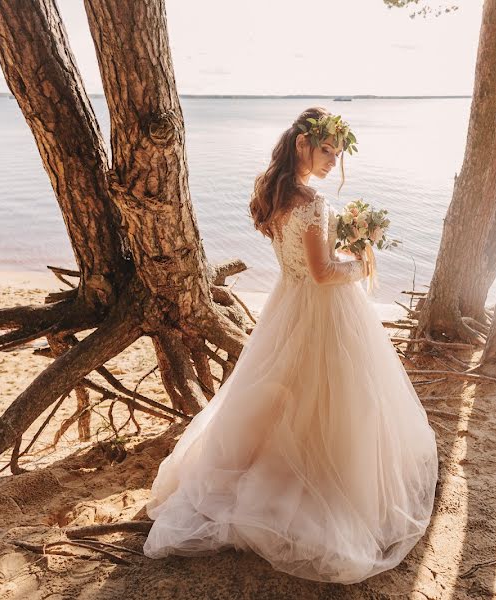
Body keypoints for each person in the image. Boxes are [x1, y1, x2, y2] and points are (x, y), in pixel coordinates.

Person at [142, 107, 439, 585]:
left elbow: (303, 262)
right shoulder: (313, 203)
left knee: (285, 392)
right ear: (303, 144)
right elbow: (323, 275)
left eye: (337, 154)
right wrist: (363, 261)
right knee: (330, 396)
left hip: (287, 303)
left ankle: (271, 471)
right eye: (326, 151)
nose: (331, 161)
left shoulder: (276, 192)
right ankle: (319, 483)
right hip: (322, 311)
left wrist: (345, 251)